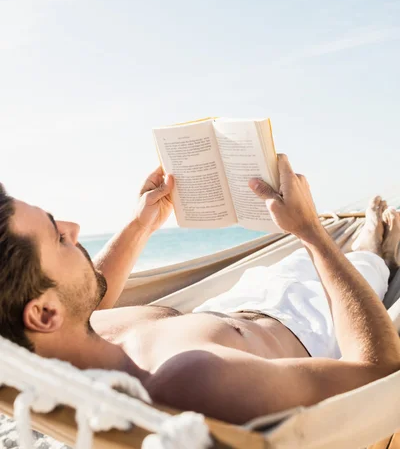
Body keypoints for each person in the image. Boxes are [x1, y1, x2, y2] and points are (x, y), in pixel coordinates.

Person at [1, 155, 400, 425]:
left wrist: (142, 224)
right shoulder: (190, 381)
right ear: (44, 314)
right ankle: (375, 249)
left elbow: (87, 295)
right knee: (365, 261)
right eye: (58, 237)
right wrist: (310, 231)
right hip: (309, 324)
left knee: (299, 262)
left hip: (241, 304)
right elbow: (378, 372)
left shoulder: (64, 343)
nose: (73, 228)